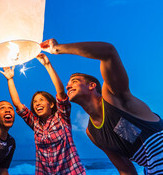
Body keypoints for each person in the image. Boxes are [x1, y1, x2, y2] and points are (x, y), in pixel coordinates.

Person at [41, 38, 163, 175]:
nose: (68, 85)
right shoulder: (92, 132)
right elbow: (125, 169)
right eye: (68, 83)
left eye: (74, 81)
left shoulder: (113, 96)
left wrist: (57, 49)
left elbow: (108, 52)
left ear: (92, 85)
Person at [0, 53, 86, 175]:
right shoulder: (35, 123)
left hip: (71, 172)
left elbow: (61, 93)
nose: (37, 103)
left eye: (41, 100)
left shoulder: (62, 117)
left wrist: (47, 65)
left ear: (51, 104)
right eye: (34, 102)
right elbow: (17, 104)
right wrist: (10, 79)